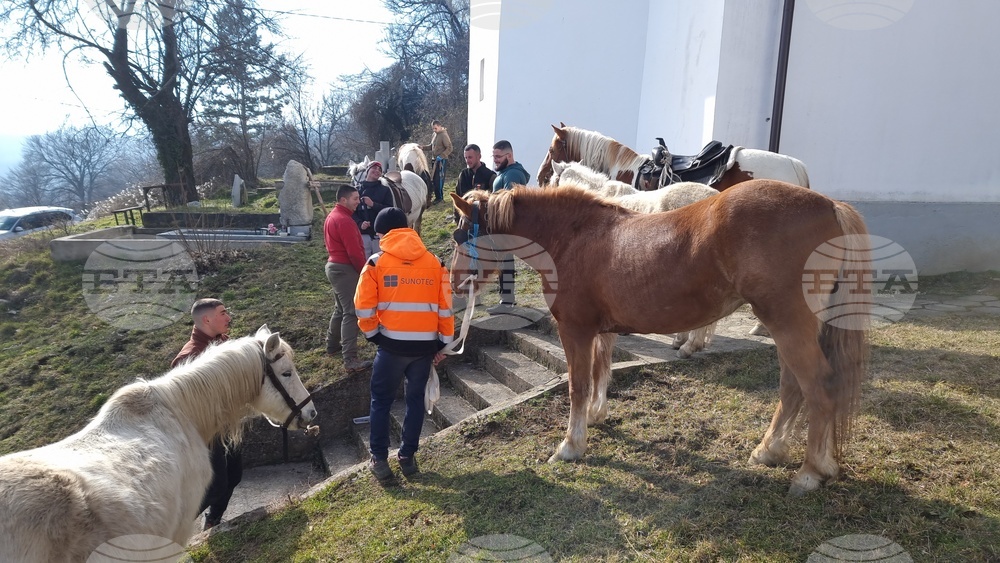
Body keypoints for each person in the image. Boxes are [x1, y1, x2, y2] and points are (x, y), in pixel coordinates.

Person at [355, 207, 453, 482]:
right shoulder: (435, 262)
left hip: (391, 347)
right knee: (415, 401)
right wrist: (442, 344)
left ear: (382, 234)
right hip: (423, 349)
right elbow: (446, 308)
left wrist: (374, 335)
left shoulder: (375, 263)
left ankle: (379, 460)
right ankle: (407, 457)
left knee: (381, 401)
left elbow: (363, 306)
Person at [171, 298, 236, 531]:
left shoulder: (223, 343)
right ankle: (170, 530)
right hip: (204, 434)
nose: (229, 317)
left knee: (234, 475)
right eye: (223, 313)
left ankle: (212, 521)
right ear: (207, 320)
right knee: (215, 486)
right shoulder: (188, 359)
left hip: (226, 426)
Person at [324, 184, 374, 372]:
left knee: (340, 309)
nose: (358, 202)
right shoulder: (345, 221)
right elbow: (354, 252)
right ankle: (350, 359)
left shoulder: (332, 216)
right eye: (355, 199)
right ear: (343, 200)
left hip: (334, 267)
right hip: (345, 269)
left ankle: (332, 346)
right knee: (351, 312)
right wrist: (364, 272)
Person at [489, 140, 532, 312]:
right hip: (500, 227)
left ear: (509, 155)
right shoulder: (505, 173)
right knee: (502, 263)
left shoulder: (513, 174)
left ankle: (507, 302)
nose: (495, 160)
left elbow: (508, 204)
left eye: (498, 156)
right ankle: (505, 300)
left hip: (506, 228)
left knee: (505, 263)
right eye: (494, 156)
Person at [353, 160, 394, 257]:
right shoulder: (356, 190)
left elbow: (389, 211)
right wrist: (360, 224)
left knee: (380, 262)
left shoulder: (385, 190)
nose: (377, 171)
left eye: (380, 170)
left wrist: (373, 204)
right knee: (365, 262)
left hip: (379, 235)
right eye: (374, 168)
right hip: (362, 235)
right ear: (367, 170)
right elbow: (351, 212)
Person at [454, 143, 497, 223]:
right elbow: (458, 197)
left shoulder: (490, 176)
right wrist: (457, 219)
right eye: (466, 158)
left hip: (483, 222)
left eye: (470, 157)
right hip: (465, 221)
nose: (467, 161)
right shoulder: (463, 175)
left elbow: (494, 202)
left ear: (479, 156)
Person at [422, 120, 453, 203]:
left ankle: (440, 198)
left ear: (439, 126)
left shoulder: (444, 135)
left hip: (441, 161)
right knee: (434, 179)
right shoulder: (434, 134)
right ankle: (437, 197)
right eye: (433, 128)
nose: (434, 130)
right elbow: (431, 146)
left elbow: (449, 148)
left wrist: (442, 156)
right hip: (434, 160)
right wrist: (423, 148)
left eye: (435, 128)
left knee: (439, 179)